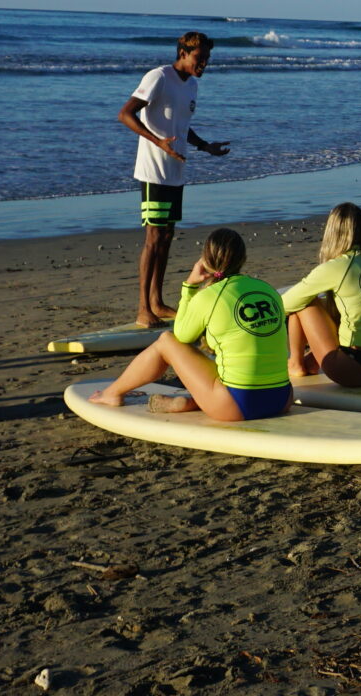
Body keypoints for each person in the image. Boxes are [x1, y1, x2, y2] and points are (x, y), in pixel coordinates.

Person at [88, 228, 291, 420]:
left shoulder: (209, 297)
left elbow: (181, 335)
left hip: (237, 406)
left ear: (205, 259)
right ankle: (194, 402)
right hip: (282, 399)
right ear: (243, 259)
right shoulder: (268, 289)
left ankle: (113, 393)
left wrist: (190, 286)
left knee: (166, 341)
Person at [120, 32, 231, 329]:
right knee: (153, 238)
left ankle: (157, 302)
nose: (204, 64)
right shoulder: (158, 77)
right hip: (153, 169)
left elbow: (182, 127)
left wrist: (205, 146)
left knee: (167, 237)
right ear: (183, 52)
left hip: (175, 170)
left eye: (207, 59)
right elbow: (126, 114)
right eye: (199, 58)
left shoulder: (192, 84)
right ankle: (143, 308)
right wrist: (158, 142)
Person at [281, 203, 361, 386]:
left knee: (306, 303)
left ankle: (295, 363)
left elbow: (285, 304)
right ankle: (309, 362)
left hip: (354, 367)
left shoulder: (337, 266)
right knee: (347, 305)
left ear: (332, 232)